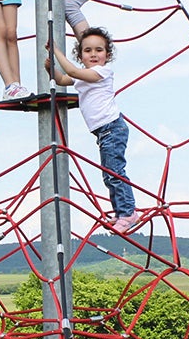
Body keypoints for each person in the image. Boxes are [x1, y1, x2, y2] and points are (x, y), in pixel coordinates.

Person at [46, 28, 146, 235]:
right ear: (80, 55)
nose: (93, 54)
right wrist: (50, 70)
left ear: (107, 55)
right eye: (88, 50)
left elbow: (72, 73)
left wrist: (56, 51)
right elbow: (65, 80)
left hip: (112, 128)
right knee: (109, 175)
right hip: (104, 132)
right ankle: (121, 212)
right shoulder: (84, 77)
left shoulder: (101, 72)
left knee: (115, 172)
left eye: (99, 50)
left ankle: (128, 213)